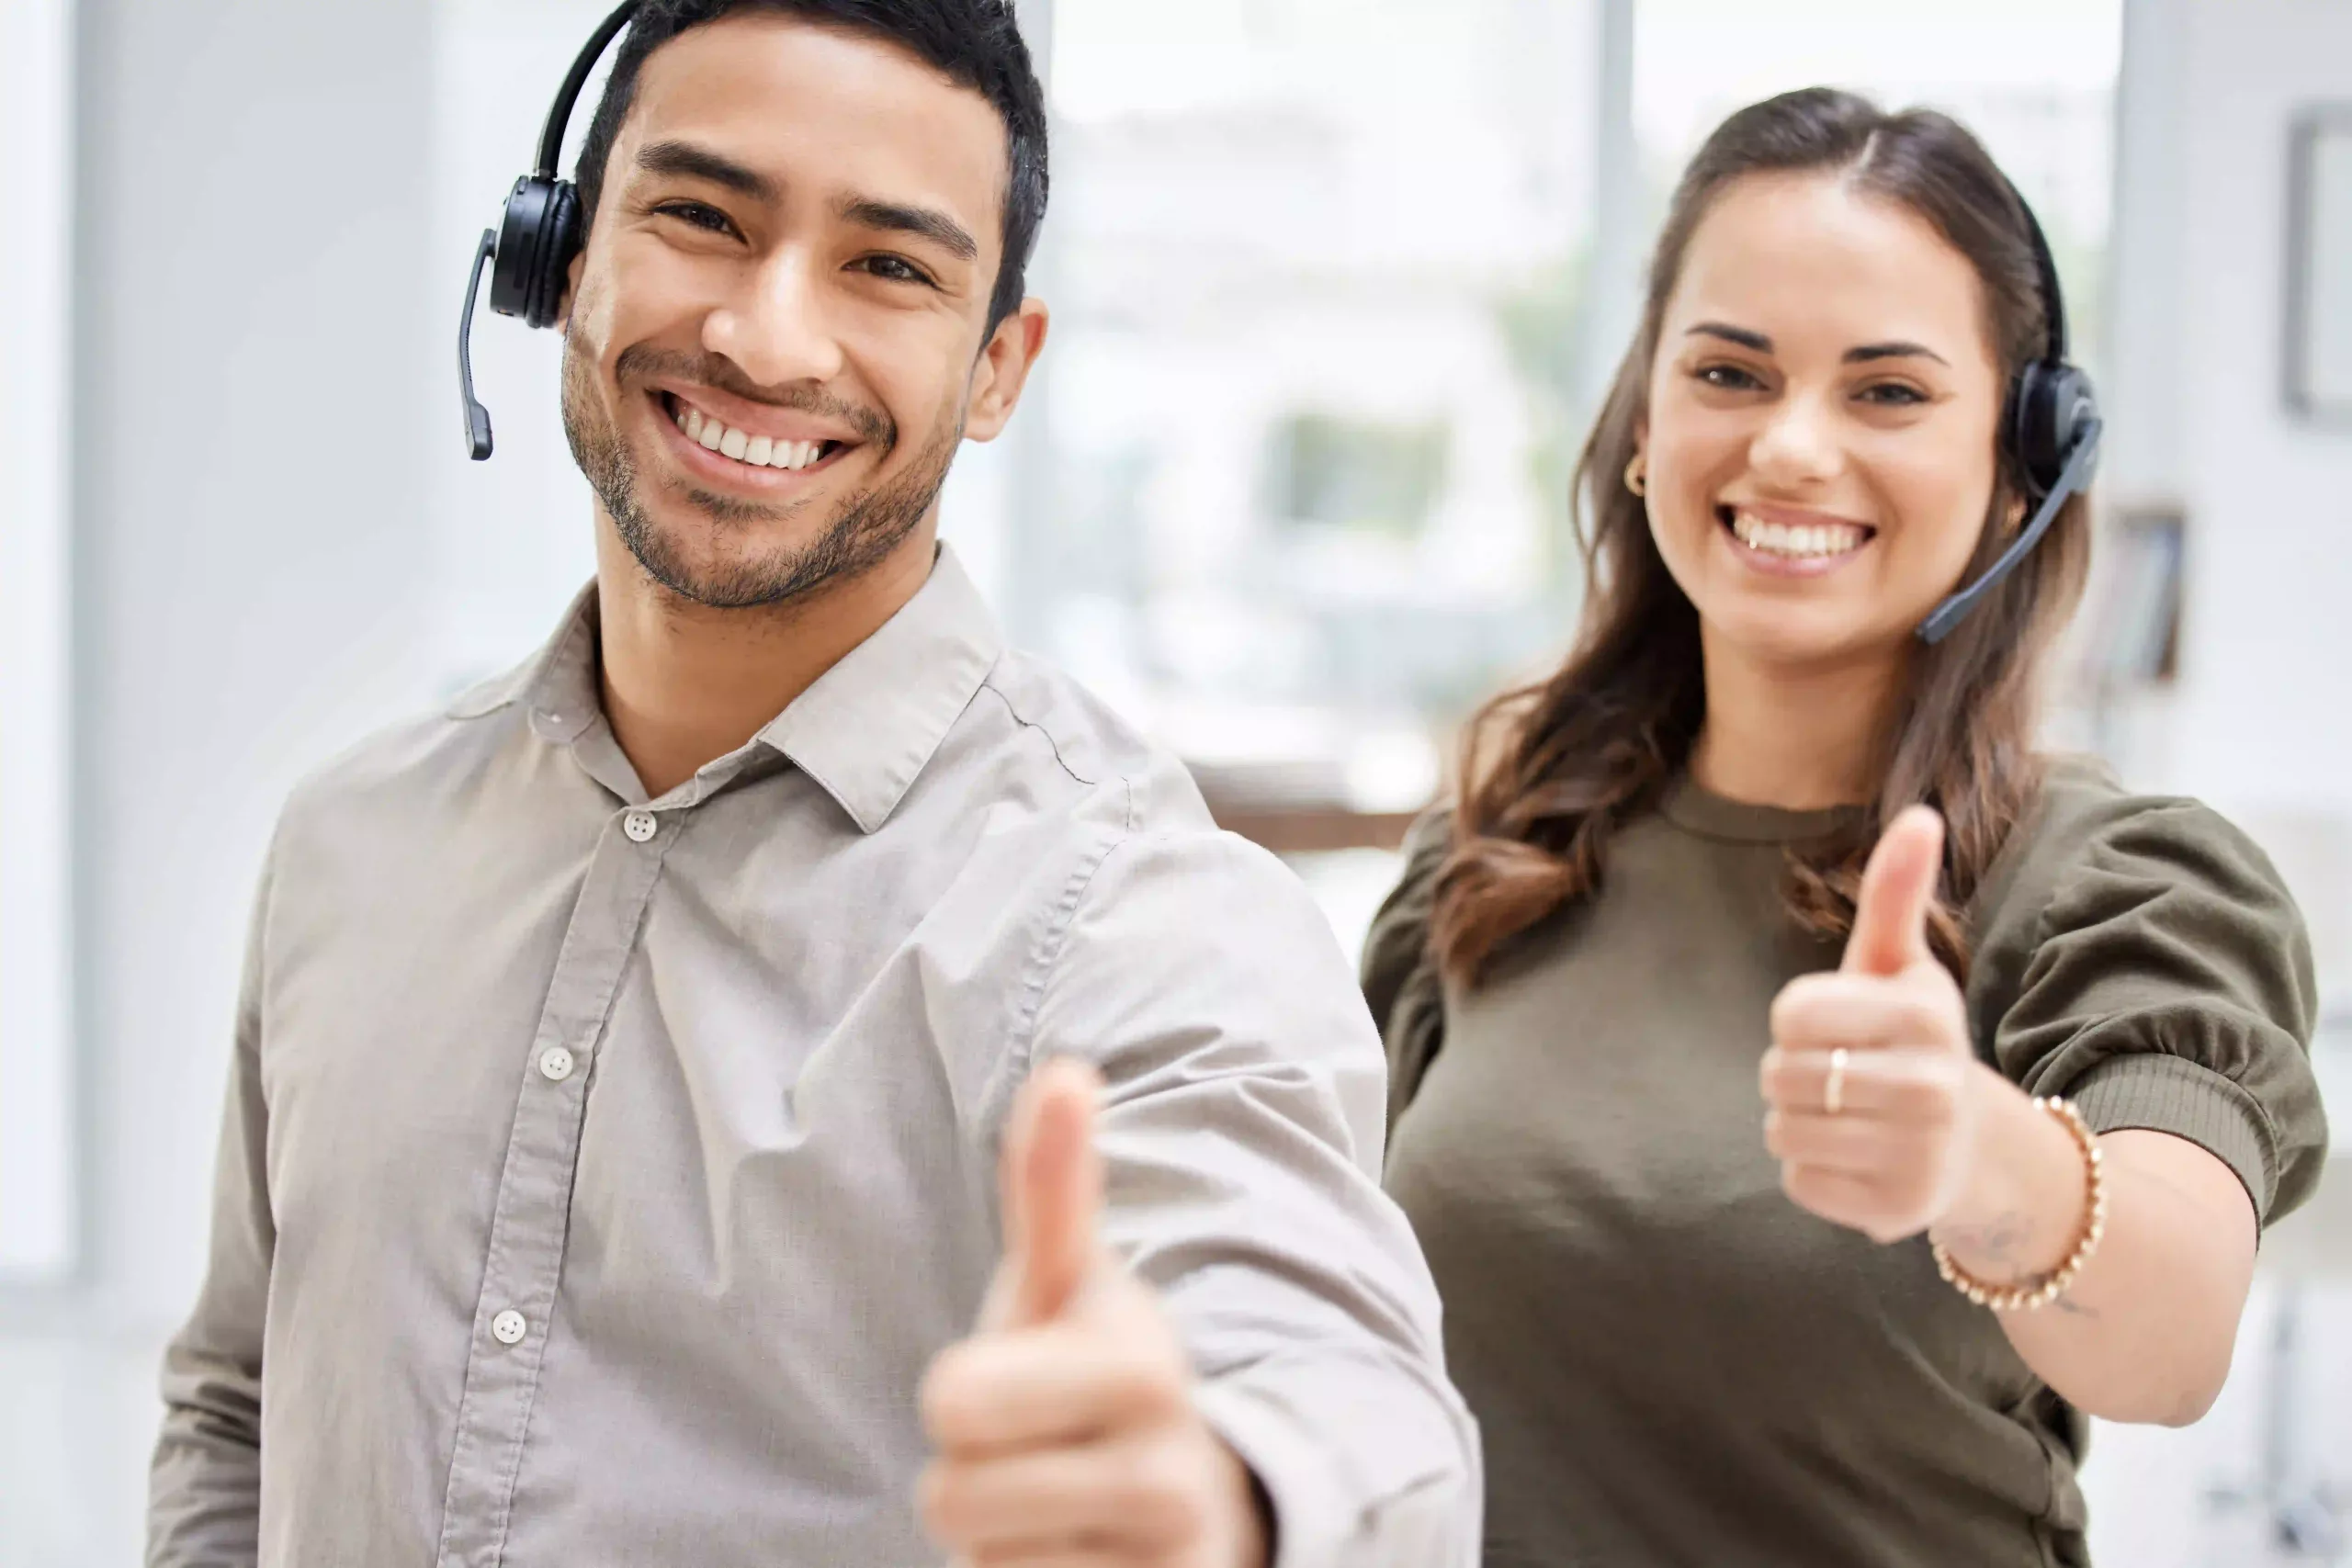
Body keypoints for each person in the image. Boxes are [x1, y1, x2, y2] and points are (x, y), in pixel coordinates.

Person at [147, 5, 1478, 1565]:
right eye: (702, 218)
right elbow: (240, 1404)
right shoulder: (352, 844)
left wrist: (1229, 1487)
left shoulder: (1136, 913)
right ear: (559, 261)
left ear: (998, 370)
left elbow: (1353, 1406)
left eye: (890, 266)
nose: (768, 339)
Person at [1364, 87, 2327, 1567]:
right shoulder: (1494, 859)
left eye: (1887, 391)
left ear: (2021, 463)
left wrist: (1981, 1158)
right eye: (1732, 372)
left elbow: (2175, 1339)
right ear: (1643, 424)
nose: (1795, 448)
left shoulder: (2119, 886)